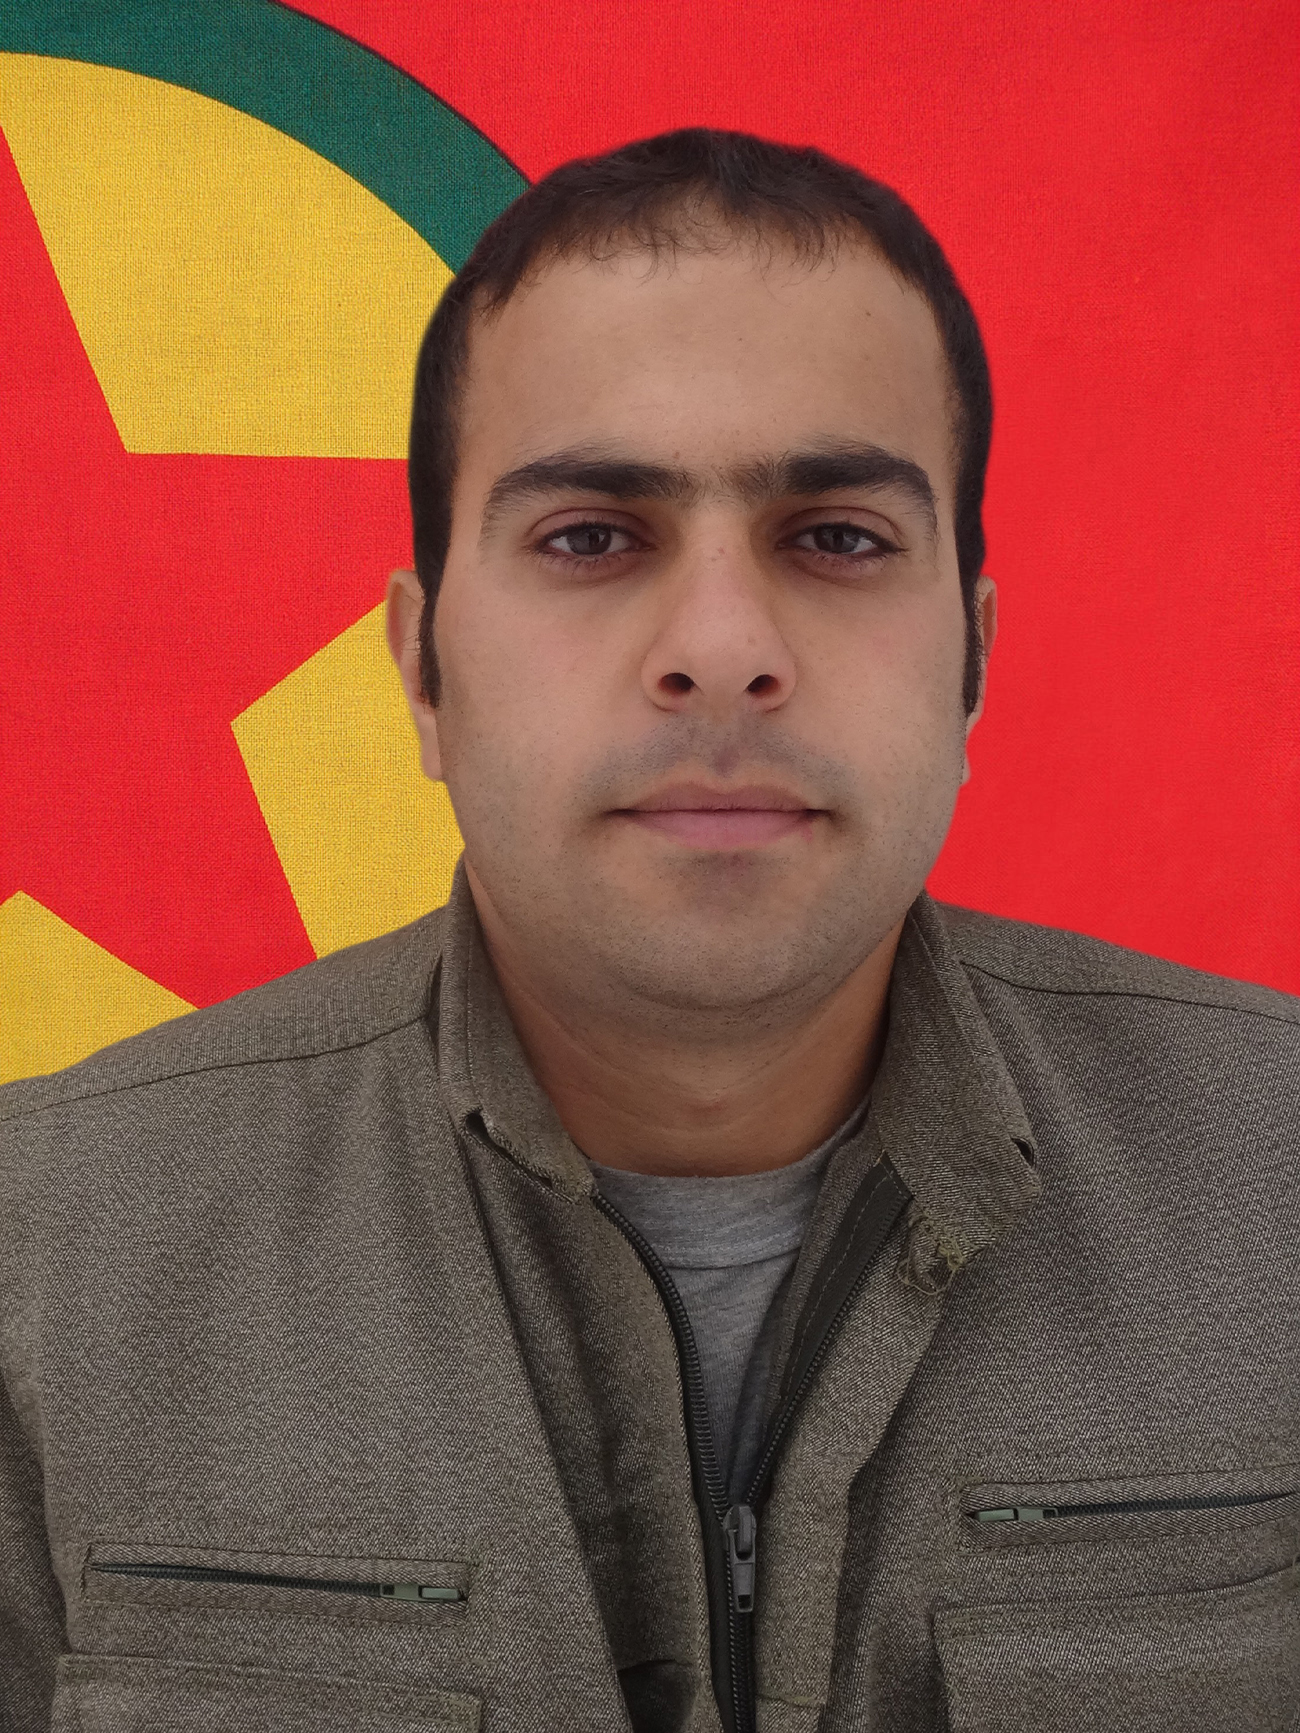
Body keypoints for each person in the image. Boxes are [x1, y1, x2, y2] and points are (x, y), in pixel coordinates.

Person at [1, 128, 1296, 1733]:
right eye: (592, 537)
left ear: (971, 659)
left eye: (836, 536)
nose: (724, 646)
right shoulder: (39, 1266)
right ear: (421, 670)